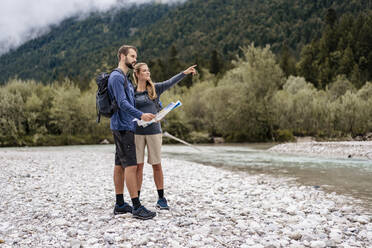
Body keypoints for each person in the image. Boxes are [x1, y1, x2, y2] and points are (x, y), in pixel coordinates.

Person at [133, 62, 197, 210]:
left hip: (154, 131)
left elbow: (170, 82)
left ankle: (161, 198)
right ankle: (136, 199)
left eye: (148, 70)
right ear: (137, 74)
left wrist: (184, 72)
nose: (148, 73)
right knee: (138, 166)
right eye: (144, 71)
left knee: (156, 164)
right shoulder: (132, 91)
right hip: (137, 132)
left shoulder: (154, 88)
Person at [108, 45, 156, 220]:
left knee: (120, 165)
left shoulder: (125, 77)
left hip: (126, 125)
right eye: (132, 56)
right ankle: (136, 206)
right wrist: (140, 114)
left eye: (136, 56)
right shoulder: (116, 77)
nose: (135, 59)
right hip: (122, 126)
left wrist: (142, 117)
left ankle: (120, 204)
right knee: (131, 165)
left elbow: (129, 102)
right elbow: (122, 103)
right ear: (122, 56)